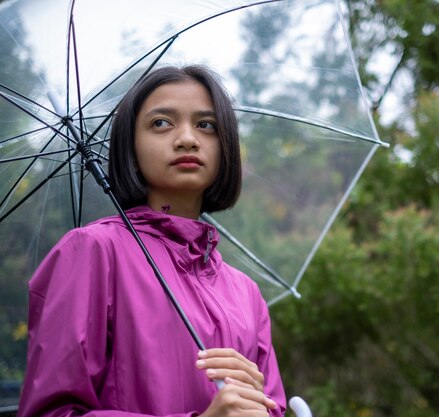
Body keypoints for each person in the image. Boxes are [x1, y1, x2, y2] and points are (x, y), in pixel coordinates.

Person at [17, 65, 286, 417]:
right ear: (131, 145)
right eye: (161, 122)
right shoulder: (92, 252)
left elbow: (273, 406)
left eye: (206, 125)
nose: (188, 139)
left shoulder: (246, 292)